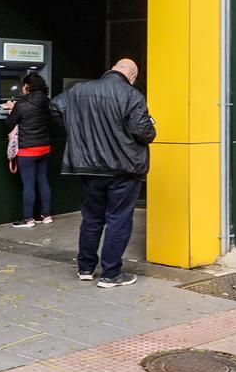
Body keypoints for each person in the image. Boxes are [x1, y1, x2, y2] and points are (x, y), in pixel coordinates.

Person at [50, 59, 156, 288]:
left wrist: (76, 128)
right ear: (133, 75)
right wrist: (151, 126)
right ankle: (111, 274)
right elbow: (143, 132)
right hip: (122, 168)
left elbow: (54, 107)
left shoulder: (78, 90)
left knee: (91, 218)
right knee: (119, 219)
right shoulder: (131, 95)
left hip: (88, 167)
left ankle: (85, 268)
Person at [3, 72, 53, 228]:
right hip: (44, 147)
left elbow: (10, 124)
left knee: (28, 184)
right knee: (43, 181)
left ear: (27, 86)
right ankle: (46, 215)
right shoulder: (48, 102)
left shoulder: (22, 104)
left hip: (28, 150)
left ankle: (28, 218)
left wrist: (11, 109)